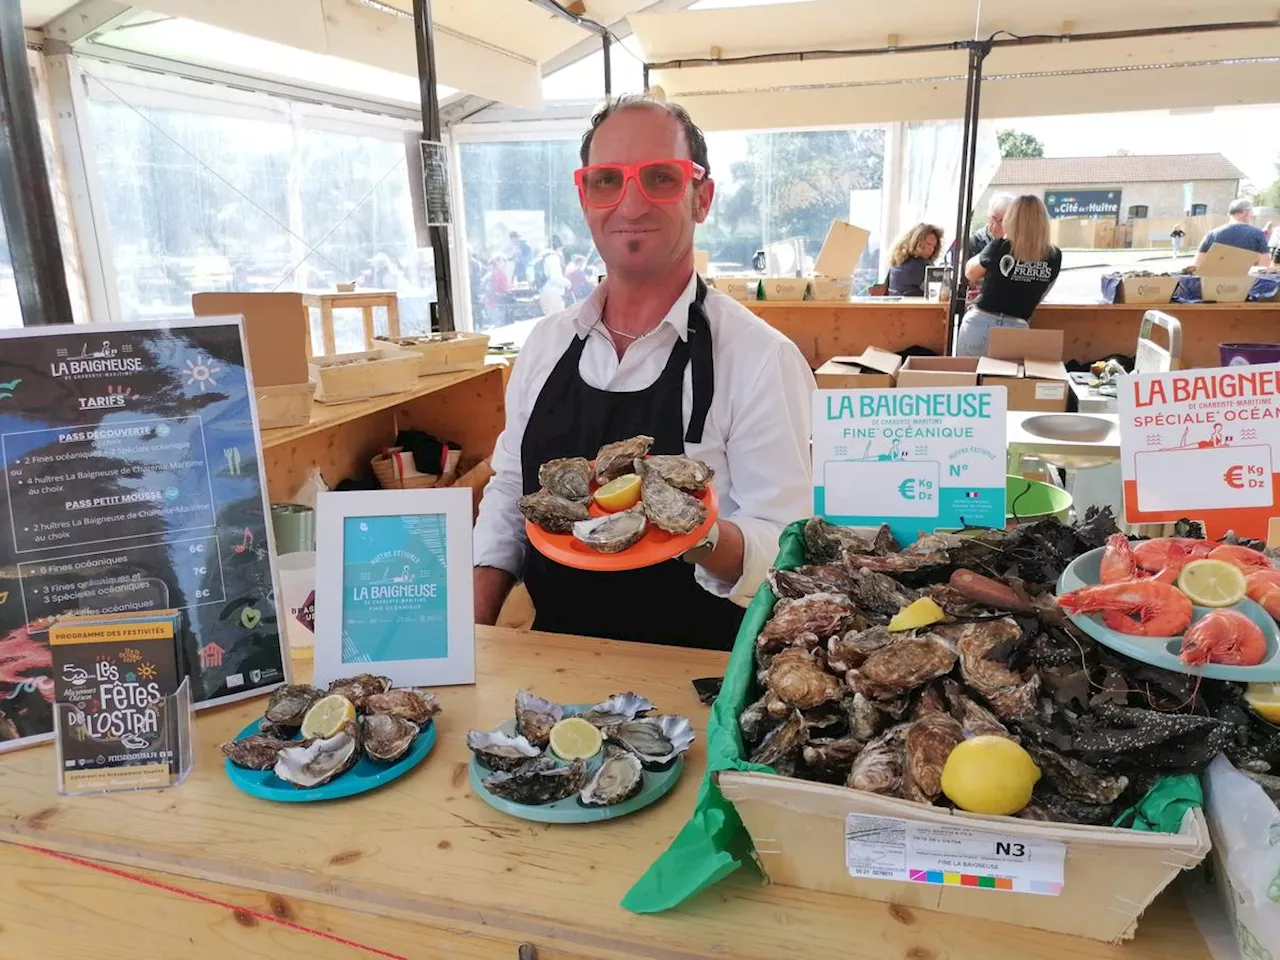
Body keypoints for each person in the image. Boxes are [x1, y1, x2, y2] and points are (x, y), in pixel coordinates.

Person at [472, 95, 815, 650]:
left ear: (701, 198)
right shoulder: (545, 344)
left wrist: (684, 529)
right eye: (607, 180)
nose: (630, 205)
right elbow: (512, 487)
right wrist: (474, 629)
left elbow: (788, 544)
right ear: (584, 198)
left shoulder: (759, 358)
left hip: (698, 671)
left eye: (660, 177)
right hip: (552, 657)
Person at [958, 194, 1062, 357]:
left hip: (980, 323)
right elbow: (1042, 293)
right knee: (1007, 382)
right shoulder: (1054, 256)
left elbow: (969, 272)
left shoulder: (1000, 246)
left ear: (1012, 218)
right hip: (1017, 328)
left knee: (969, 380)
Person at [1195, 198, 1271, 270]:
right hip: (1246, 281)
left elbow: (1197, 264)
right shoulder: (1258, 234)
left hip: (1216, 282)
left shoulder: (1212, 235)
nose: (1252, 215)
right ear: (1246, 213)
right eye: (1251, 212)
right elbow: (1264, 266)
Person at [887, 223, 943, 297]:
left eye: (934, 246)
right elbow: (939, 292)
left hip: (896, 307)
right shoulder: (922, 265)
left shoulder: (897, 262)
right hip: (916, 307)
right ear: (917, 243)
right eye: (928, 244)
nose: (932, 249)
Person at [536, 235, 570, 316]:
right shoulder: (553, 257)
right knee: (557, 321)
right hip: (553, 293)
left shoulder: (542, 257)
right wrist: (567, 283)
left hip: (543, 292)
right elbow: (555, 278)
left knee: (549, 320)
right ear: (559, 247)